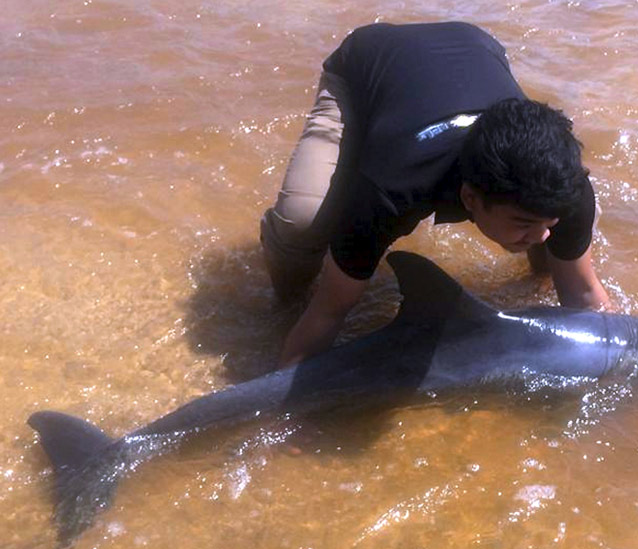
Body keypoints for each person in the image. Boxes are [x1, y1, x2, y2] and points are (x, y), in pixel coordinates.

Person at [260, 22, 611, 369]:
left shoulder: (568, 188)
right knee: (302, 220)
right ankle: (284, 301)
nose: (541, 234)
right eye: (525, 223)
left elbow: (583, 296)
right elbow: (330, 311)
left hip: (472, 47)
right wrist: (283, 403)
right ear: (470, 198)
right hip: (367, 66)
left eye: (550, 223)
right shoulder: (390, 192)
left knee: (547, 245)